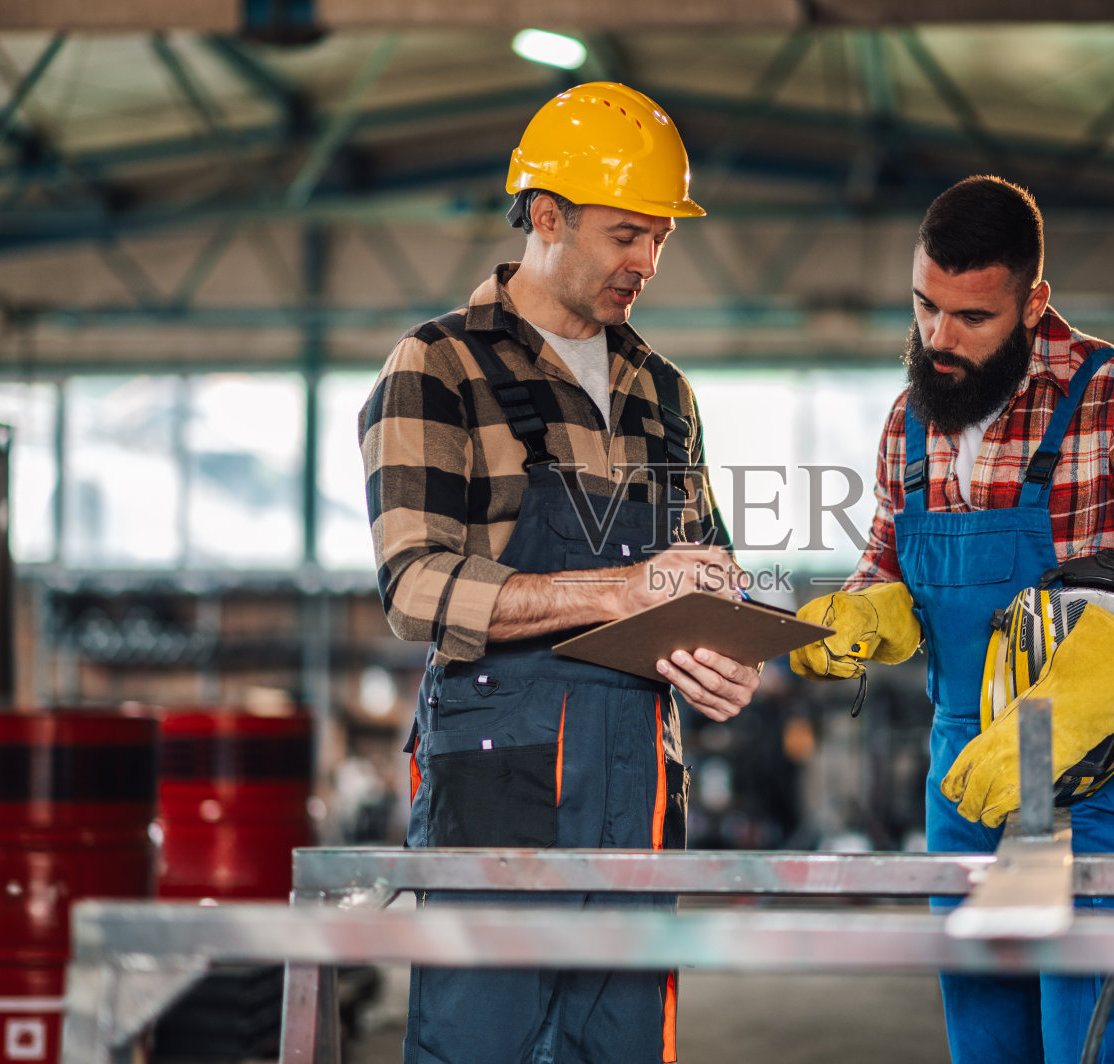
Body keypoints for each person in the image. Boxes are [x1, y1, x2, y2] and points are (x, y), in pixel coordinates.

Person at [791, 175, 1114, 1064]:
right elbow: (888, 557)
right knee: (985, 1033)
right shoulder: (909, 421)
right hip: (968, 770)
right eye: (924, 307)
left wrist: (1077, 702)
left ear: (1034, 301)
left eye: (972, 317)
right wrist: (864, 611)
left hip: (1094, 776)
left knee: (1090, 1036)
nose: (938, 339)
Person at [359, 82, 761, 1064]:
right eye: (628, 234)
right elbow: (413, 583)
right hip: (497, 765)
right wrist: (614, 594)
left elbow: (704, 565)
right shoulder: (437, 365)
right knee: (480, 1042)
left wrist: (728, 648)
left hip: (639, 769)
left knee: (621, 1044)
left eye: (661, 238)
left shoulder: (664, 393)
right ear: (547, 216)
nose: (648, 263)